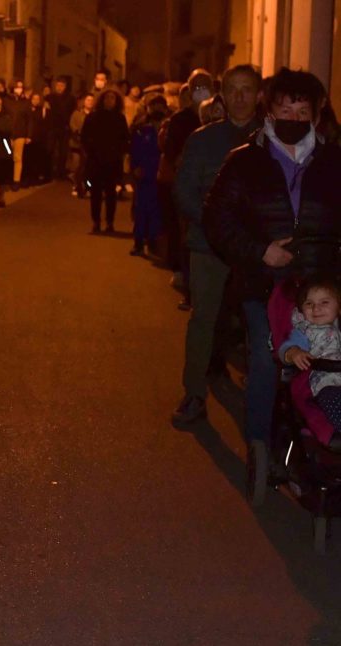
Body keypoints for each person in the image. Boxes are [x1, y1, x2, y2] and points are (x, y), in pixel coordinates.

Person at [203, 67, 341, 464]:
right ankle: (260, 443)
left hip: (321, 286)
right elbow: (217, 220)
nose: (294, 119)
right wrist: (261, 250)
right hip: (263, 285)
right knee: (268, 358)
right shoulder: (244, 162)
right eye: (285, 110)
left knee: (330, 355)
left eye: (302, 112)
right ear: (270, 111)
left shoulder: (333, 162)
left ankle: (321, 430)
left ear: (316, 115)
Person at [170, 64, 263, 426]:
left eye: (247, 89)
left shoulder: (271, 138)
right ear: (222, 95)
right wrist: (216, 228)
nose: (239, 97)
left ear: (258, 95)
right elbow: (184, 190)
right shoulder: (203, 140)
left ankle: (264, 402)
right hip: (209, 246)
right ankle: (194, 393)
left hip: (257, 250)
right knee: (203, 320)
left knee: (260, 324)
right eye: (233, 89)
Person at [160, 70, 212, 297]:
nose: (201, 91)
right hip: (188, 183)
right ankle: (185, 277)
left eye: (205, 85)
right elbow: (171, 151)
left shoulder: (217, 116)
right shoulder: (180, 120)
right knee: (186, 232)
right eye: (196, 86)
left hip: (211, 186)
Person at [279, 276, 341, 450]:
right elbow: (286, 348)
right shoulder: (306, 331)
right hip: (326, 383)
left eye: (324, 302)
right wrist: (294, 352)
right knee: (332, 400)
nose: (316, 308)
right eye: (309, 303)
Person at [81, 89, 129, 232]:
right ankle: (96, 221)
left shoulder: (119, 118)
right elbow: (84, 136)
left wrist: (119, 153)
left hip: (112, 161)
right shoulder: (93, 117)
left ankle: (109, 222)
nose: (109, 101)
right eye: (107, 98)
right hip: (95, 160)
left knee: (111, 193)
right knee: (95, 193)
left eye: (112, 98)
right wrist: (89, 151)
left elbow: (124, 138)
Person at [128, 95, 168, 255]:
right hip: (144, 173)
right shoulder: (141, 127)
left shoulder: (169, 126)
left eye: (159, 106)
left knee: (157, 209)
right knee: (141, 208)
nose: (157, 109)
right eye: (154, 106)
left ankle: (153, 240)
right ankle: (138, 241)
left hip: (161, 173)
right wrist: (135, 167)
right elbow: (134, 149)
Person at [47, 76, 75, 179]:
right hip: (52, 127)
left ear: (65, 87)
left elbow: (72, 112)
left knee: (63, 151)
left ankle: (61, 172)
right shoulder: (50, 97)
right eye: (58, 85)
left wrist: (69, 125)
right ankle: (49, 172)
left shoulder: (70, 98)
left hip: (64, 127)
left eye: (61, 86)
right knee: (50, 150)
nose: (59, 88)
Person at [7, 80, 31, 190]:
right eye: (17, 87)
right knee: (7, 157)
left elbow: (29, 119)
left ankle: (16, 180)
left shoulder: (25, 102)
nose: (19, 89)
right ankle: (6, 179)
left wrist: (29, 135)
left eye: (21, 87)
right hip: (7, 133)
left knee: (17, 157)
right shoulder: (6, 101)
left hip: (20, 133)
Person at [23, 91, 51, 186]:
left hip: (39, 138)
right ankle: (27, 178)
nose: (35, 101)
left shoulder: (42, 110)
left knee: (36, 159)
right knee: (28, 159)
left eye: (37, 99)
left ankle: (34, 178)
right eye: (34, 99)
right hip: (29, 137)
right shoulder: (27, 109)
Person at [70, 93, 95, 197]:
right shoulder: (77, 113)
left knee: (88, 168)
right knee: (77, 166)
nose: (90, 102)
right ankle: (77, 185)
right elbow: (73, 126)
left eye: (92, 100)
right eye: (88, 100)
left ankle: (88, 187)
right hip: (77, 144)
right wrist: (79, 134)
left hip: (90, 145)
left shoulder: (95, 114)